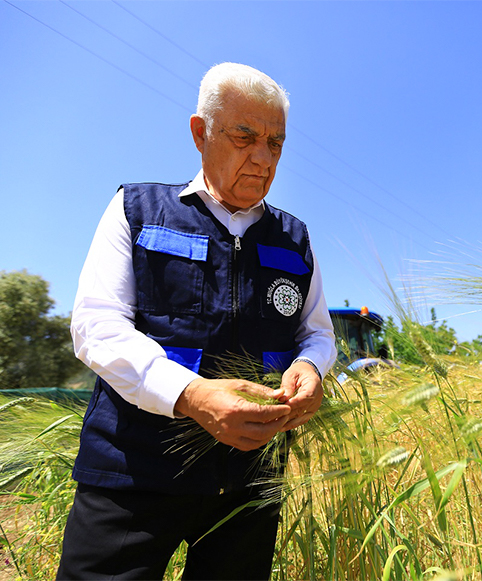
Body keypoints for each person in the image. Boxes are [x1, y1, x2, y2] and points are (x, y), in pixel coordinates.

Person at [56, 62, 337, 580]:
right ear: (200, 132)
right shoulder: (136, 210)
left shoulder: (295, 238)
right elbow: (95, 326)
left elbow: (316, 332)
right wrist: (193, 397)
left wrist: (313, 368)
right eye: (245, 136)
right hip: (131, 473)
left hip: (250, 483)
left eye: (275, 142)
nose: (262, 157)